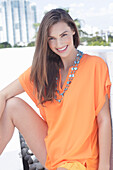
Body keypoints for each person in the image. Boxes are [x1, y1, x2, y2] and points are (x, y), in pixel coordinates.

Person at [0, 8, 112, 170]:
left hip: (82, 157)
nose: (59, 44)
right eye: (52, 38)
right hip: (53, 148)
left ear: (73, 30)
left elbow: (104, 120)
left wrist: (105, 167)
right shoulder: (43, 70)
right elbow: (3, 94)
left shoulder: (95, 65)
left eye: (63, 35)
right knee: (12, 105)